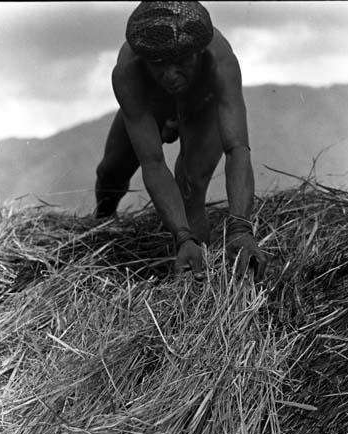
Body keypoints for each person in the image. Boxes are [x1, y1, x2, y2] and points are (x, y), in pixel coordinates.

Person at [95, 1, 267, 281]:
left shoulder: (219, 60)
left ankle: (199, 277)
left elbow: (237, 149)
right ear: (143, 58)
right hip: (151, 105)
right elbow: (151, 162)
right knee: (110, 171)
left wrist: (240, 230)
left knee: (190, 187)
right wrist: (181, 235)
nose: (171, 75)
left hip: (201, 108)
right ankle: (101, 226)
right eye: (159, 65)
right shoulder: (127, 73)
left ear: (199, 52)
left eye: (182, 62)